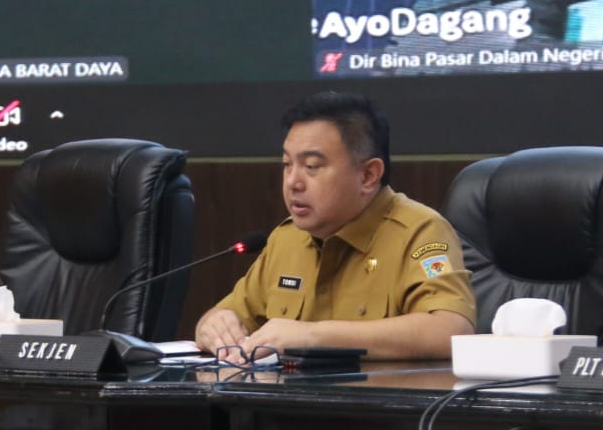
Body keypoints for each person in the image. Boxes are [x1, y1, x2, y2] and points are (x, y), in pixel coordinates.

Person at [194, 92, 476, 359]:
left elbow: (450, 330)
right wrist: (214, 325)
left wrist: (313, 336)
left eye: (311, 166)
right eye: (287, 164)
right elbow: (229, 314)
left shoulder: (419, 231)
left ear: (368, 175)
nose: (292, 182)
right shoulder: (287, 239)